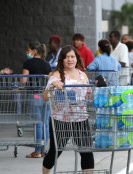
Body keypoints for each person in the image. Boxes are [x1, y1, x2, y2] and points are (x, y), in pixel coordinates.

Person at [42, 46, 94, 174]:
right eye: (66, 57)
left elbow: (89, 95)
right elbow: (45, 97)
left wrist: (96, 88)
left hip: (80, 118)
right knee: (55, 151)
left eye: (72, 56)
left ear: (77, 59)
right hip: (60, 120)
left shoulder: (83, 75)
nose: (69, 59)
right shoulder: (56, 75)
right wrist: (53, 85)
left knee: (86, 152)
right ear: (62, 60)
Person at [22, 42, 52, 158]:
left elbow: (24, 81)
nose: (27, 52)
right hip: (46, 96)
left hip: (34, 96)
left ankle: (37, 151)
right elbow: (50, 80)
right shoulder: (47, 64)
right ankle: (44, 150)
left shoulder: (28, 63)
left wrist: (19, 86)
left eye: (28, 49)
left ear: (34, 51)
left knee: (38, 124)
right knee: (45, 124)